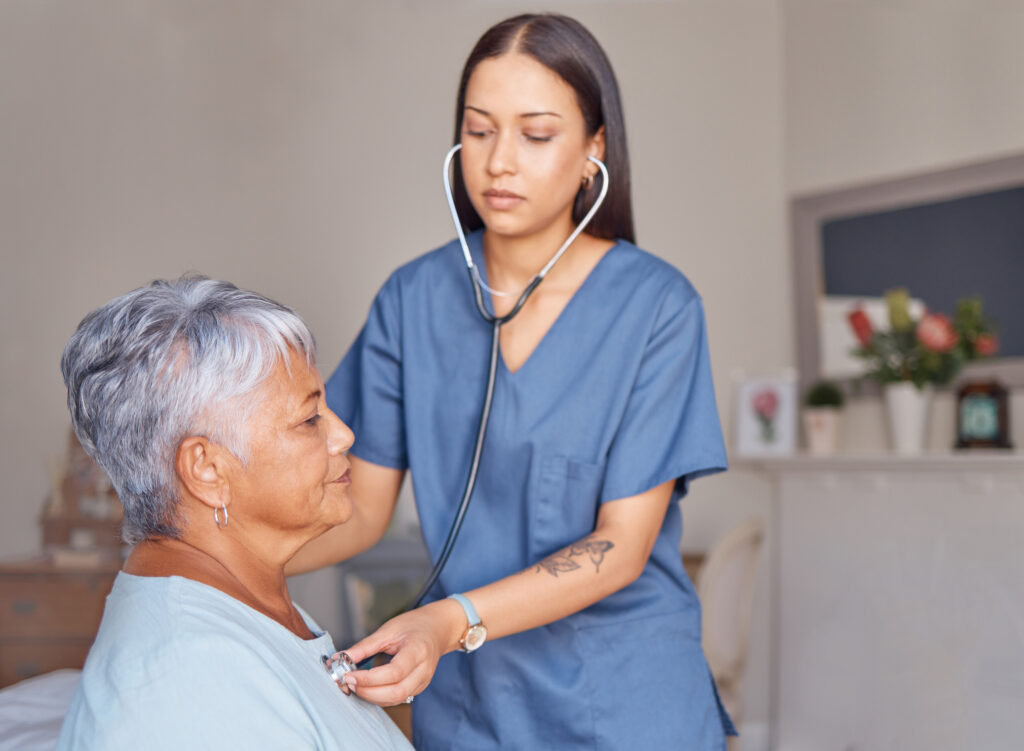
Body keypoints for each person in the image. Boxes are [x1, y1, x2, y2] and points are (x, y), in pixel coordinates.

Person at [289, 12, 734, 749]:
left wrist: (446, 619)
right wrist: (210, 567)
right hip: (473, 706)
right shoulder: (413, 299)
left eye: (536, 134)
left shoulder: (657, 306)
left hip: (625, 700)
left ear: (594, 149)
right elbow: (360, 511)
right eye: (479, 129)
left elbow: (621, 546)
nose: (499, 162)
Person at [55, 277, 412, 750]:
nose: (343, 435)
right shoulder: (187, 677)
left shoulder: (245, 601)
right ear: (207, 469)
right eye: (310, 420)